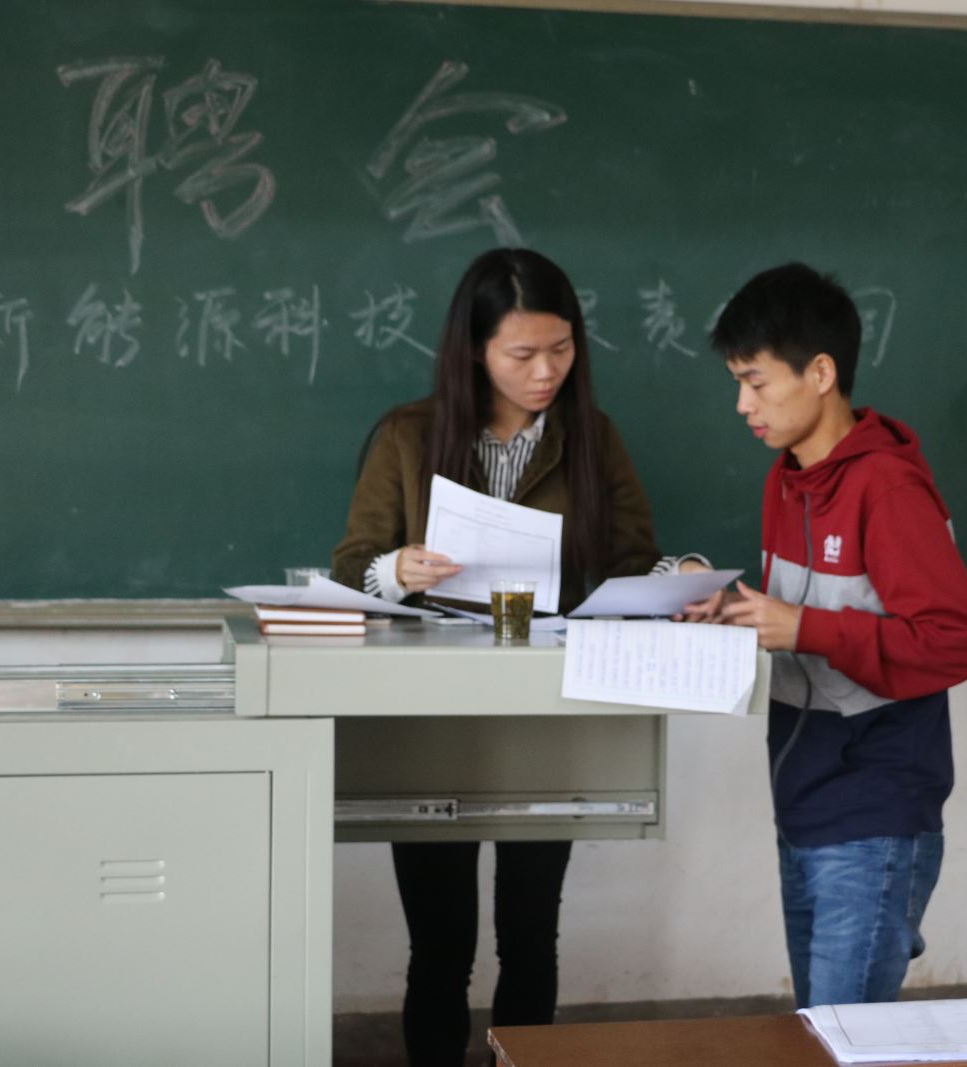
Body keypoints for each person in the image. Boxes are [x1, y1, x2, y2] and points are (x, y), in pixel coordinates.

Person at [332, 247, 699, 1066]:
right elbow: (351, 564)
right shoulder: (408, 435)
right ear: (475, 350)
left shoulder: (591, 436)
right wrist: (398, 569)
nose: (545, 372)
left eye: (561, 349)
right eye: (522, 353)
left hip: (544, 709)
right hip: (431, 716)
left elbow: (633, 560)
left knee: (532, 933)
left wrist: (681, 574)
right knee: (440, 942)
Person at [683, 261, 967, 1008]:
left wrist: (804, 627)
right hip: (803, 796)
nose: (742, 404)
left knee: (848, 1040)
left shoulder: (886, 488)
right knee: (820, 1029)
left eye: (756, 382)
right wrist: (731, 612)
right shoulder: (787, 478)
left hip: (875, 808)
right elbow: (802, 621)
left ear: (820, 373)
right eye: (737, 383)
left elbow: (958, 639)